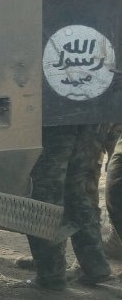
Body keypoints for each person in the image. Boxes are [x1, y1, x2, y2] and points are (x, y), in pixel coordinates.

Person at [23, 123, 116, 290]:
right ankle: (94, 264)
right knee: (77, 185)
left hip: (56, 117)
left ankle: (51, 274)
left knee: (46, 188)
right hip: (91, 112)